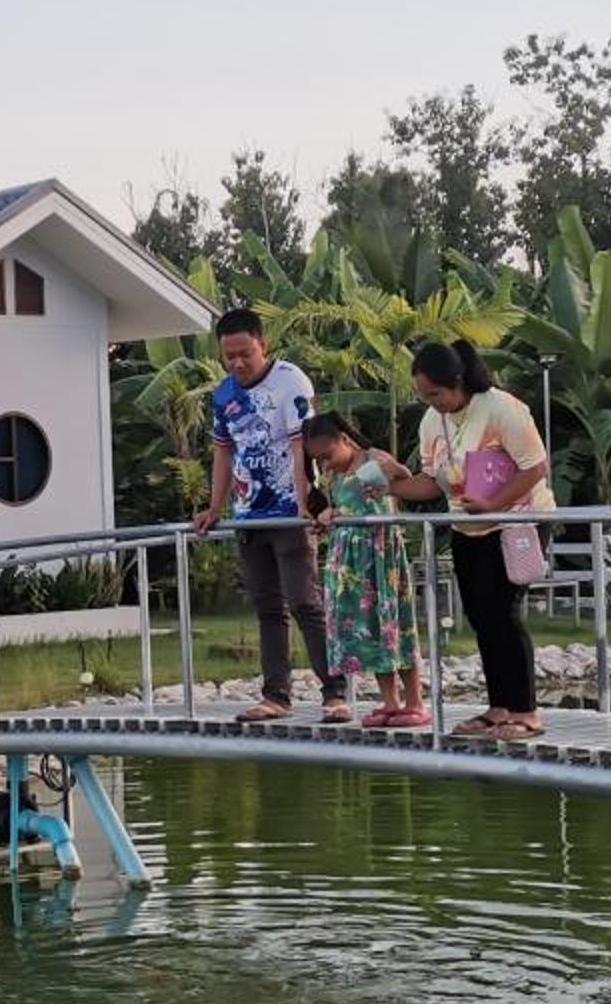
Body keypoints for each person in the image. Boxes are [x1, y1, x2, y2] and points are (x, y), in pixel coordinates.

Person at [388, 339, 555, 740]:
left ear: (458, 382)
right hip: (468, 526)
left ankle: (526, 712)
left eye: (436, 393)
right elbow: (430, 483)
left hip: (515, 523)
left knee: (504, 614)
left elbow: (535, 467)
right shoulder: (433, 422)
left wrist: (494, 504)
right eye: (424, 396)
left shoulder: (501, 408)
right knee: (481, 618)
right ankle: (499, 708)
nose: (432, 402)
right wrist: (389, 487)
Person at [190, 308, 351, 724]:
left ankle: (335, 691)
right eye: (230, 356)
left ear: (264, 345)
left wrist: (304, 500)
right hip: (249, 514)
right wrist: (215, 506)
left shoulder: (290, 381)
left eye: (246, 353)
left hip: (288, 511)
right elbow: (223, 451)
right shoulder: (224, 394)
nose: (239, 363)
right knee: (267, 606)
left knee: (304, 600)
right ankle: (276, 694)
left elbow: (302, 444)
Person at [302, 412, 428, 728]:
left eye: (328, 456)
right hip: (350, 564)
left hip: (380, 557)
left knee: (394, 626)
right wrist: (330, 513)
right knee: (369, 630)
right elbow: (346, 507)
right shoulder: (334, 476)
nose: (326, 465)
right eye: (319, 461)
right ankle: (390, 702)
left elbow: (402, 476)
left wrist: (381, 470)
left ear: (345, 440)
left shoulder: (372, 459)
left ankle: (414, 701)